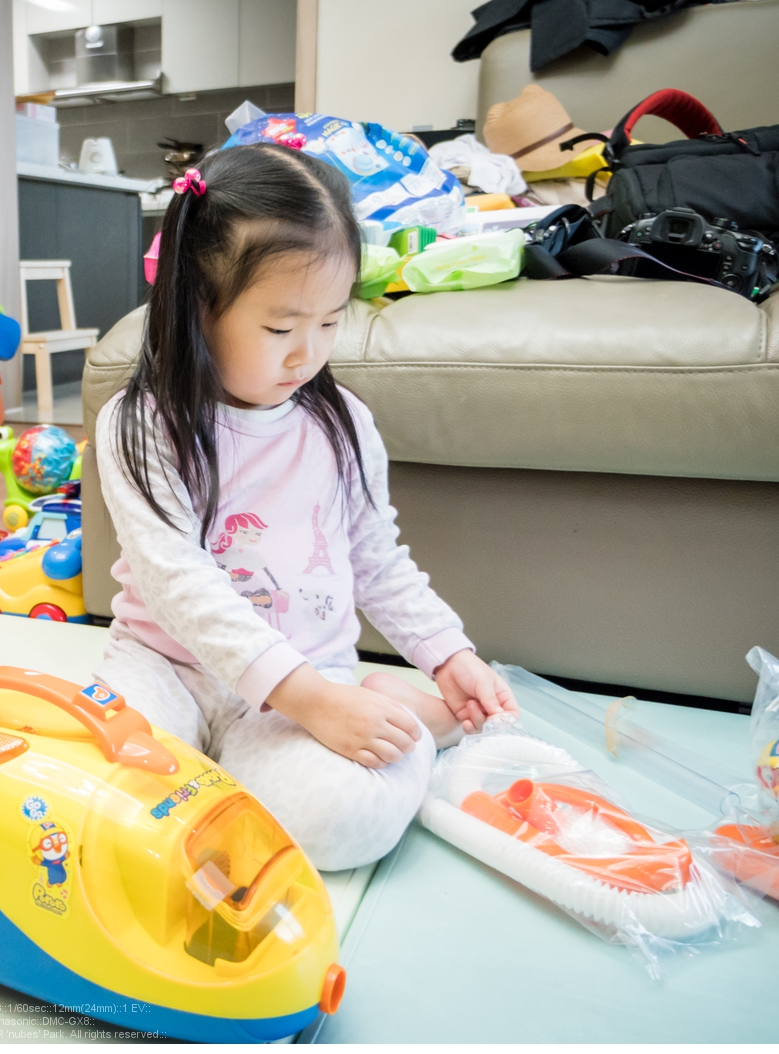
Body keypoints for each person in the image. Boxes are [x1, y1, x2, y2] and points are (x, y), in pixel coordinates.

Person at [94, 144, 518, 871]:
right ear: (197, 307)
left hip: (309, 675)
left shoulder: (342, 423)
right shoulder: (140, 424)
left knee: (341, 823)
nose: (307, 355)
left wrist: (447, 654)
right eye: (281, 329)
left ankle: (414, 720)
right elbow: (177, 584)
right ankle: (242, 769)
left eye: (330, 323)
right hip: (166, 667)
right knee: (97, 792)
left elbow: (375, 557)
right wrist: (309, 699)